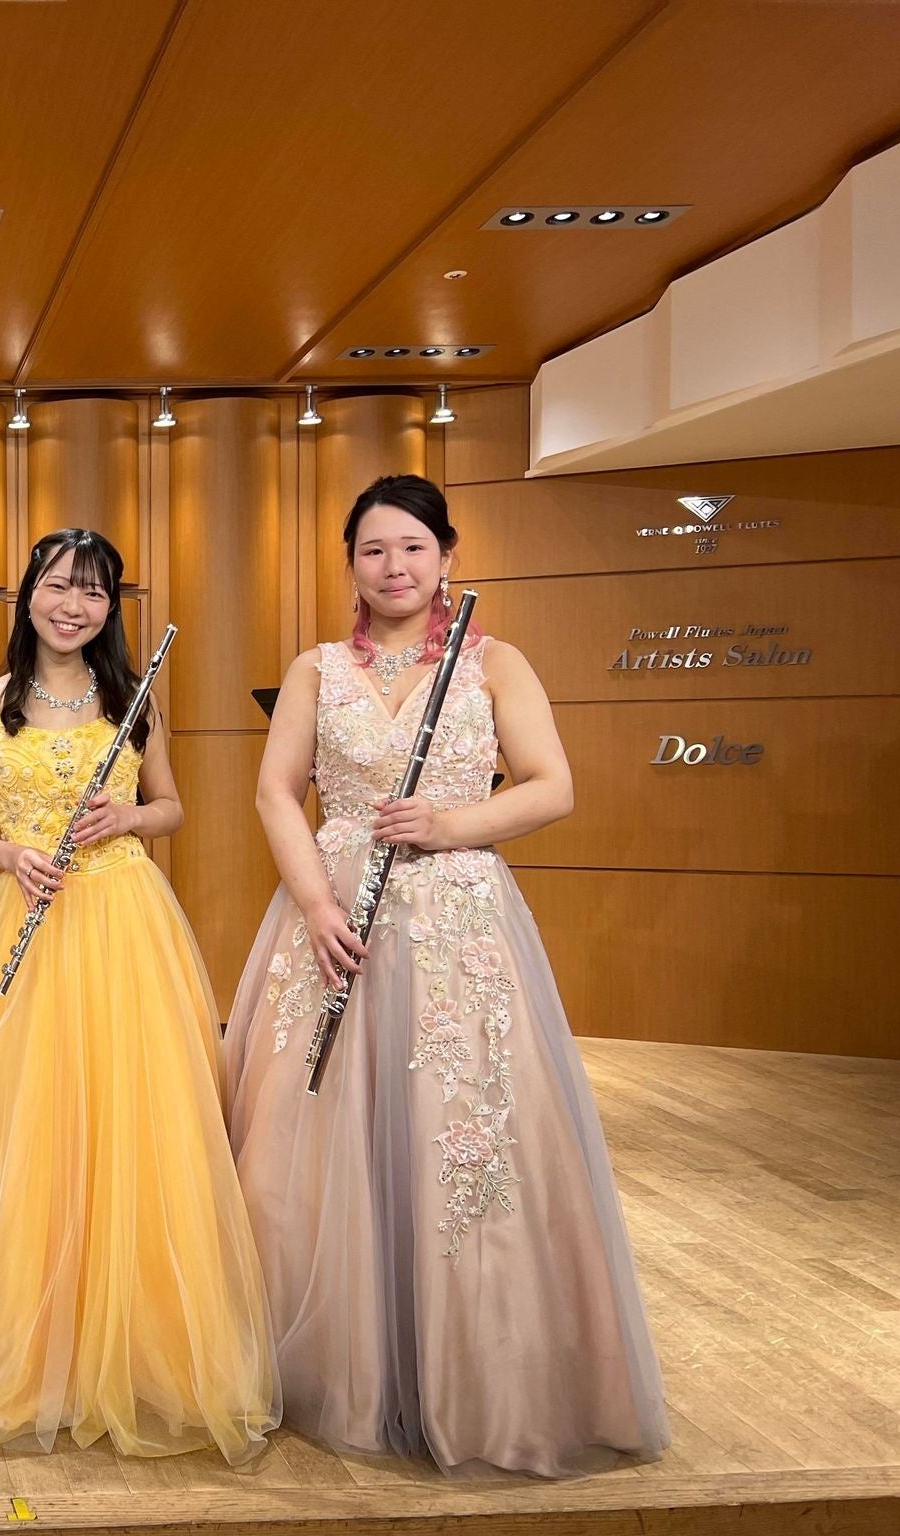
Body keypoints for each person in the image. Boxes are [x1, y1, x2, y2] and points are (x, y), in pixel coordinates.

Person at [222, 473, 668, 1476]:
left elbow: (552, 786)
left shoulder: (495, 662)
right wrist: (316, 904)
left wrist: (450, 823)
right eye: (374, 550)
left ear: (446, 557)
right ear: (351, 564)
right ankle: (319, 1363)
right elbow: (275, 793)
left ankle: (473, 1375)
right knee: (307, 1136)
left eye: (413, 548)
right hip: (332, 917)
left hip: (456, 919)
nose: (394, 567)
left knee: (459, 1130)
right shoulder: (313, 669)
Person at [0, 528, 278, 1461]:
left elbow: (173, 807)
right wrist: (8, 852)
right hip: (30, 918)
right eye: (58, 586)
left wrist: (128, 814)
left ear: (110, 607)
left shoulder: (134, 699)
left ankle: (141, 1349)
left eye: (93, 592)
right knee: (32, 1129)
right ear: (29, 594)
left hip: (125, 922)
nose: (73, 606)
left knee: (135, 1128)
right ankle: (38, 1352)